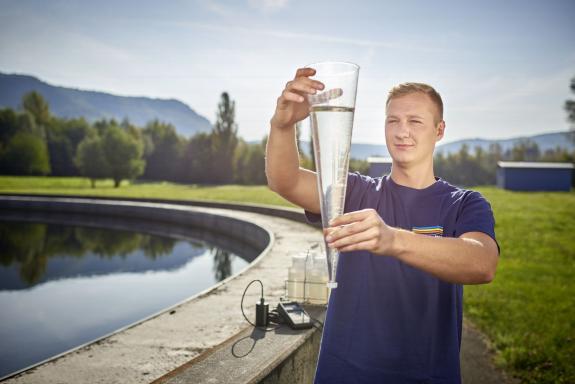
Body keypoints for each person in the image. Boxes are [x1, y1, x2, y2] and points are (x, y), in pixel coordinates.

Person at [265, 67, 499, 383]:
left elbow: (482, 263)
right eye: (393, 121)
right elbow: (286, 180)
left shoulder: (463, 204)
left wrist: (392, 240)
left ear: (439, 130)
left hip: (426, 376)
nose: (402, 131)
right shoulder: (355, 192)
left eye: (415, 121)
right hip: (343, 374)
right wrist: (282, 125)